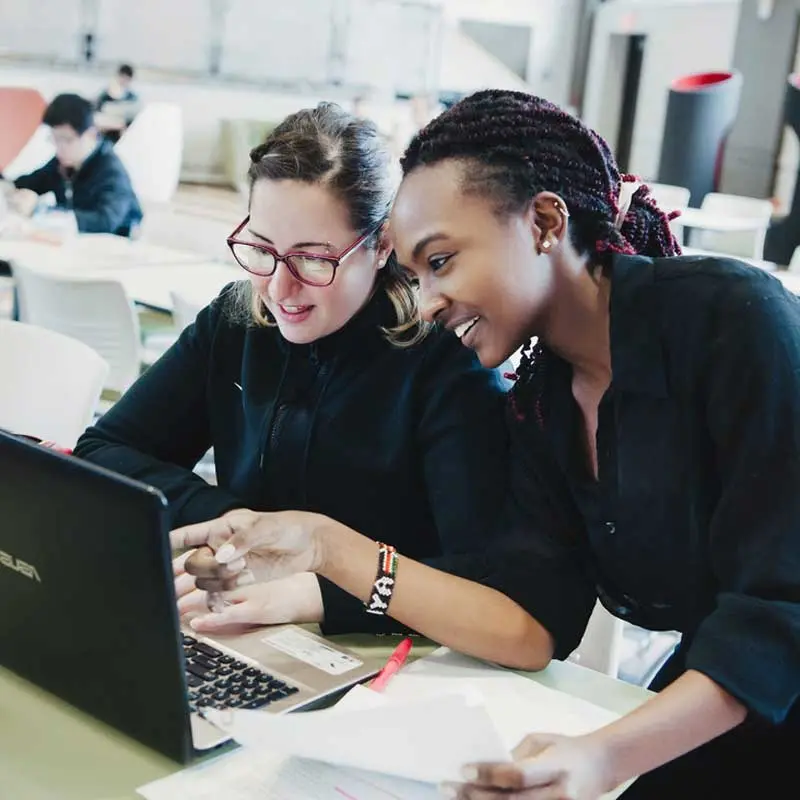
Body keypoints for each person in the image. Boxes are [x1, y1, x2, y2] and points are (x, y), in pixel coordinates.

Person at [174, 90, 800, 798]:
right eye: (416, 274)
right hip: (735, 691)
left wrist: (603, 756)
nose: (427, 302)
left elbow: (778, 611)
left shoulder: (736, 322)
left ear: (544, 222)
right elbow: (530, 621)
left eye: (442, 261)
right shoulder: (544, 396)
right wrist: (326, 547)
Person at [74, 102, 550, 666]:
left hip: (393, 658)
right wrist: (241, 526)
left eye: (313, 259)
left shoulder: (447, 361)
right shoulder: (236, 320)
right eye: (262, 249)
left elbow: (479, 582)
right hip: (246, 627)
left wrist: (318, 589)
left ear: (381, 245)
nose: (280, 288)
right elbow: (105, 449)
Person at [7, 93, 142, 237]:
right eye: (55, 139)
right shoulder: (63, 164)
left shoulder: (111, 170)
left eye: (67, 140)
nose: (60, 147)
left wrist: (40, 210)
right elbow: (29, 183)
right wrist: (13, 192)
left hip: (115, 244)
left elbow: (106, 220)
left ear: (90, 134)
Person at [95, 63, 139, 142]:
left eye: (127, 79)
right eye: (122, 78)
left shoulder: (132, 99)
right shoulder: (105, 96)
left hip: (122, 137)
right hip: (104, 135)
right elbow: (96, 117)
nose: (123, 82)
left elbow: (132, 121)